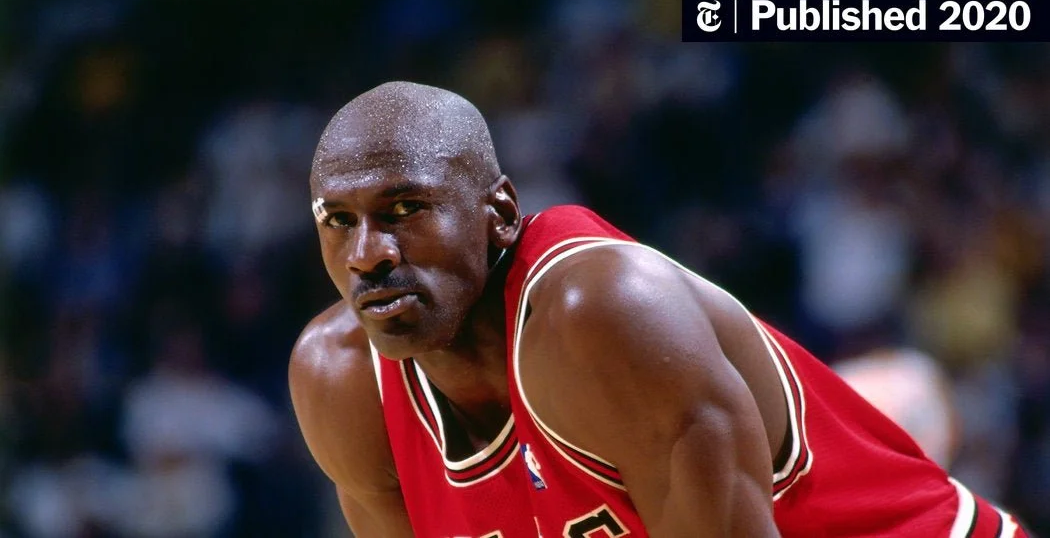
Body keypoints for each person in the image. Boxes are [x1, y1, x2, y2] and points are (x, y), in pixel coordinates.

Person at [288, 81, 1028, 537]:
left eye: (405, 208)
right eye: (338, 221)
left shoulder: (598, 314)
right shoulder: (340, 380)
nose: (367, 253)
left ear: (501, 213)